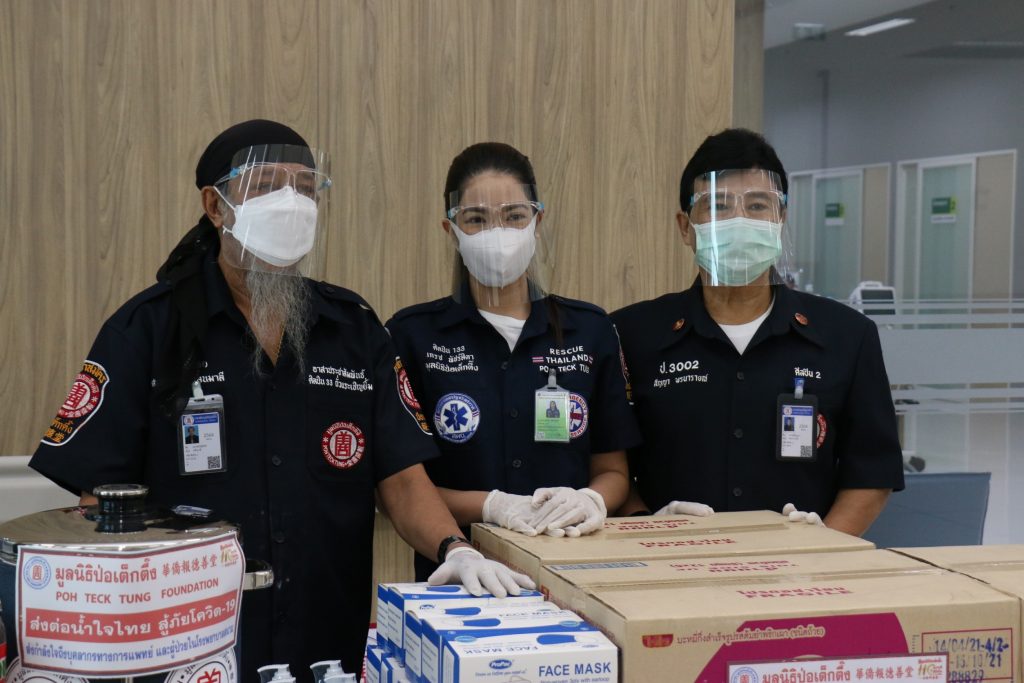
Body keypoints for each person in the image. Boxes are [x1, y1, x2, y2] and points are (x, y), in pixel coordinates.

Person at [29, 120, 532, 680]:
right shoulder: (147, 331)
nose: (291, 203)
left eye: (305, 188)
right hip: (190, 645)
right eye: (267, 185)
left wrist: (454, 549)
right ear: (215, 206)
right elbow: (100, 502)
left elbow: (402, 478)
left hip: (325, 642)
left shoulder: (353, 328)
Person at [612, 128, 904, 534]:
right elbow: (608, 465)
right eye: (717, 206)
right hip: (664, 560)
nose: (739, 221)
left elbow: (871, 474)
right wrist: (644, 528)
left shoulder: (847, 336)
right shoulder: (630, 334)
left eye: (757, 205)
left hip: (801, 568)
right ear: (685, 226)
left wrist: (821, 549)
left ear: (780, 219)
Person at [386, 142, 640, 580]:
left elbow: (614, 471)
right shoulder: (411, 336)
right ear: (452, 230)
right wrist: (493, 505)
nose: (497, 232)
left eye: (514, 216)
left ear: (537, 222)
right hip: (461, 576)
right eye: (476, 219)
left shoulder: (591, 330)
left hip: (575, 571)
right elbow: (399, 488)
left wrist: (591, 500)